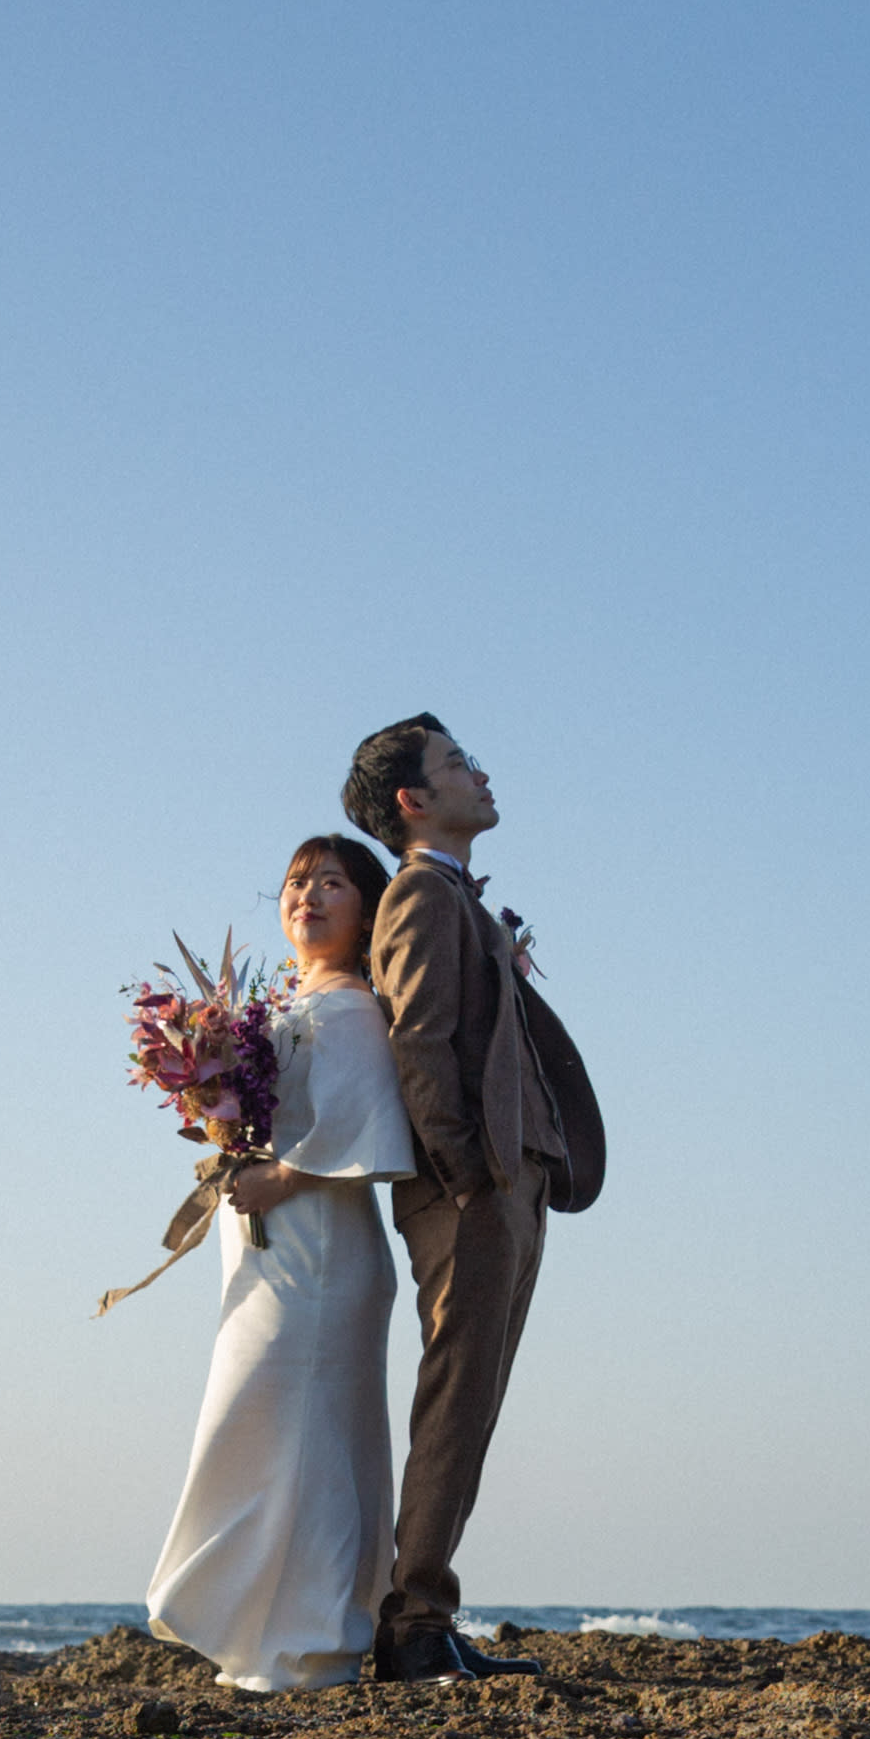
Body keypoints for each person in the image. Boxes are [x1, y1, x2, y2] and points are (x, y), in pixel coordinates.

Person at [338, 712, 596, 1683]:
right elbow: (417, 1039)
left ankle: (428, 1613)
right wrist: (465, 1174)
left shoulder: (454, 897)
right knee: (455, 1401)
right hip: (474, 1188)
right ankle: (413, 1626)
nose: (480, 775)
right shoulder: (416, 894)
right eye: (458, 763)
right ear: (412, 799)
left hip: (511, 1178)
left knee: (473, 1402)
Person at [144, 837, 420, 1688]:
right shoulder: (281, 1005)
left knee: (304, 1431)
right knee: (263, 1426)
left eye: (331, 882)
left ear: (365, 910)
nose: (308, 895)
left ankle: (313, 1641)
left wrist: (284, 1175)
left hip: (322, 1246)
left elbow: (370, 1124)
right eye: (297, 882)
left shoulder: (352, 1007)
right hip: (265, 1246)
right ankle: (263, 1636)